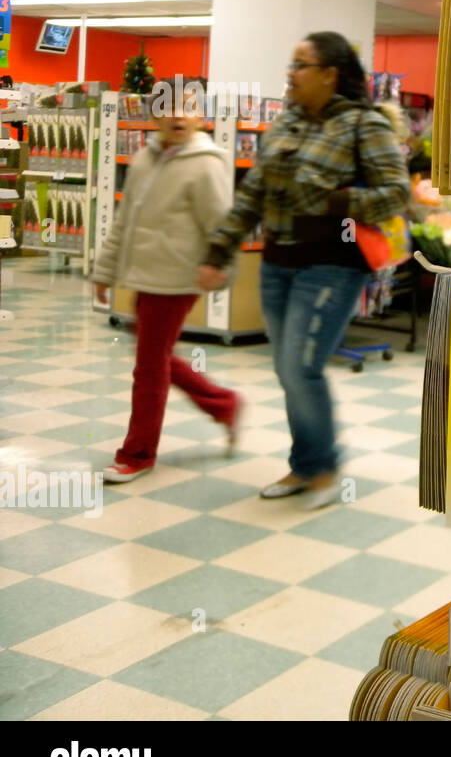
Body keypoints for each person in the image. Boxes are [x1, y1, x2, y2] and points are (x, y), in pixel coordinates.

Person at [198, 32, 408, 509]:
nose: (289, 75)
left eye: (300, 65)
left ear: (330, 74)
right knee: (287, 369)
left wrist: (333, 201)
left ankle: (324, 469)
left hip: (333, 262)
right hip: (278, 264)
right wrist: (218, 250)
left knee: (300, 366)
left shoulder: (364, 124)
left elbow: (396, 193)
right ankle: (305, 465)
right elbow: (252, 195)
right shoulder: (286, 123)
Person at [93, 82, 240, 483]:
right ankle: (223, 403)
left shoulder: (207, 162)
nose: (178, 115)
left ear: (200, 115)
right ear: (154, 115)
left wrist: (219, 267)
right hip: (147, 274)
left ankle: (137, 454)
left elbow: (221, 224)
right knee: (154, 355)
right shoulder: (145, 159)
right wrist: (104, 271)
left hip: (178, 277)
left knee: (149, 365)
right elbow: (124, 221)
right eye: (168, 108)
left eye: (188, 107)